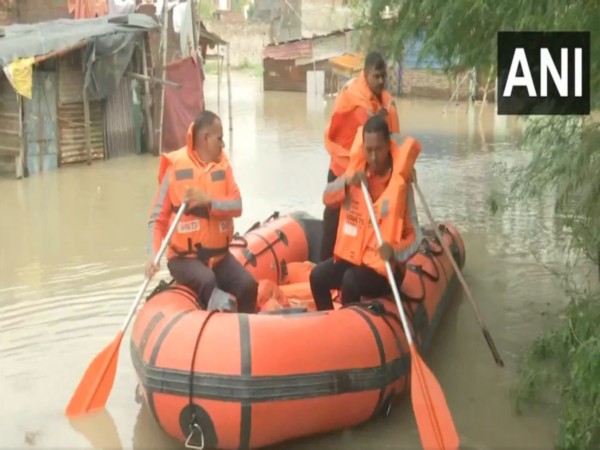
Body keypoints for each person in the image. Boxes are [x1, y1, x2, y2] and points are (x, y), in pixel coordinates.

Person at [145, 110, 258, 313]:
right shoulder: (174, 168)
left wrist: (209, 202)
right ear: (206, 138)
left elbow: (237, 206)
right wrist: (153, 255)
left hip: (219, 258)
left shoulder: (223, 166)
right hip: (184, 260)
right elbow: (157, 219)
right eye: (220, 138)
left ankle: (246, 330)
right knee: (207, 280)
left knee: (248, 285)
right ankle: (213, 329)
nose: (223, 144)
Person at [310, 115, 422, 311]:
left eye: (378, 150)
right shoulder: (356, 175)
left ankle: (349, 331)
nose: (373, 157)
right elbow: (327, 198)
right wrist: (346, 183)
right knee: (317, 276)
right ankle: (329, 323)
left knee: (350, 280)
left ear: (387, 146)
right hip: (356, 259)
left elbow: (416, 236)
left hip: (386, 269)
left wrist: (395, 251)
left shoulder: (400, 186)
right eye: (368, 150)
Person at [320, 51, 401, 262]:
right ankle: (324, 263)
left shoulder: (382, 101)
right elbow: (372, 129)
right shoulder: (355, 99)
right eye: (377, 76)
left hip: (363, 171)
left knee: (358, 223)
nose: (381, 81)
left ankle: (355, 265)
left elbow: (392, 141)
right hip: (342, 169)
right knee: (333, 220)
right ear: (365, 74)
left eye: (384, 76)